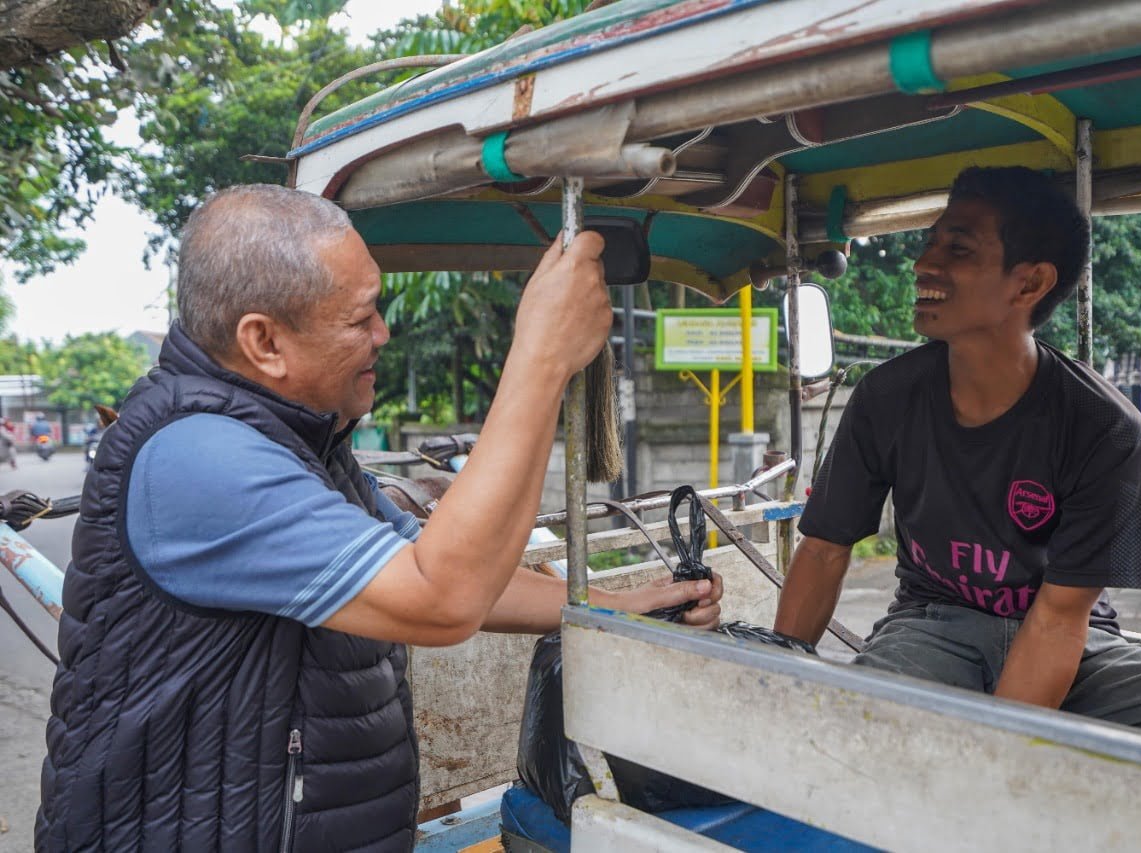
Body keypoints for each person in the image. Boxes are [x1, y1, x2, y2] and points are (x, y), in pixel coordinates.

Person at [38, 185, 723, 851]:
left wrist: (624, 605)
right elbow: (444, 597)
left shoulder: (303, 443)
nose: (383, 333)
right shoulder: (198, 456)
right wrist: (539, 357)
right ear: (264, 342)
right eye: (360, 317)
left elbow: (439, 567)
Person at [775, 166, 1141, 759]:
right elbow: (825, 548)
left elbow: (1060, 619)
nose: (923, 263)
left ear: (1030, 283)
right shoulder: (886, 398)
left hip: (1078, 646)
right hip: (932, 629)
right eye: (930, 241)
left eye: (957, 247)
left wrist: (1001, 767)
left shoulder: (1105, 429)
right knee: (842, 742)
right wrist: (772, 687)